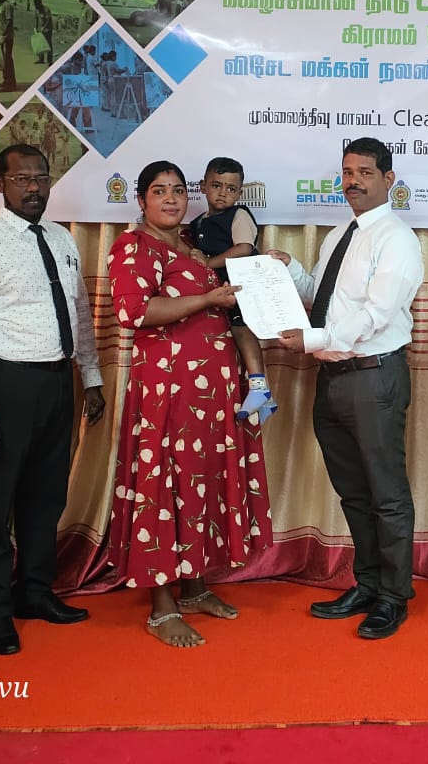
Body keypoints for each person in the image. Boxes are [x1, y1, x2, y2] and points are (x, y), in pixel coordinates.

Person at [0, 144, 107, 656]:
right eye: (22, 179)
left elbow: (78, 312)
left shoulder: (61, 238)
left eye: (41, 178)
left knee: (46, 496)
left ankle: (34, 592)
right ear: (1, 184)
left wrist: (91, 376)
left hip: (58, 382)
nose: (34, 187)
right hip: (5, 383)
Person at [106, 161, 273, 647]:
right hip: (168, 392)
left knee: (197, 482)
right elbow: (135, 311)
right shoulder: (134, 246)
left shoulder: (192, 247)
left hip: (211, 393)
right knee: (163, 486)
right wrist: (207, 301)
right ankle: (161, 607)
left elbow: (231, 306)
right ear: (141, 199)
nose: (171, 199)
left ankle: (194, 587)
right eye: (159, 191)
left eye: (178, 190)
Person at [269, 137, 423, 640]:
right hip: (333, 378)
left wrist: (312, 340)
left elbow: (376, 315)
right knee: (353, 492)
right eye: (347, 172)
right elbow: (322, 300)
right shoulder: (338, 234)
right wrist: (289, 270)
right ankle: (368, 583)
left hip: (374, 377)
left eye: (365, 173)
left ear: (388, 179)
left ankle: (394, 597)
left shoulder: (397, 239)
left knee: (386, 493)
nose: (352, 181)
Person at [189, 156, 277, 421]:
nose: (223, 193)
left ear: (239, 193)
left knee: (241, 329)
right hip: (221, 291)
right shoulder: (197, 222)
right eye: (216, 186)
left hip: (243, 284)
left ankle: (259, 387)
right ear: (203, 186)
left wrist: (208, 263)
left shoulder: (238, 215)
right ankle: (267, 401)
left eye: (231, 189)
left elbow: (244, 248)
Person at [34, 0, 54, 64]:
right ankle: (41, 59)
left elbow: (48, 20)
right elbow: (36, 19)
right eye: (36, 5)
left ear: (40, 3)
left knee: (48, 44)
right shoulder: (36, 10)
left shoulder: (46, 9)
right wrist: (36, 27)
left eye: (38, 5)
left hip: (48, 29)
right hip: (40, 29)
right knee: (40, 44)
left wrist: (44, 27)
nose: (37, 7)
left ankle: (50, 60)